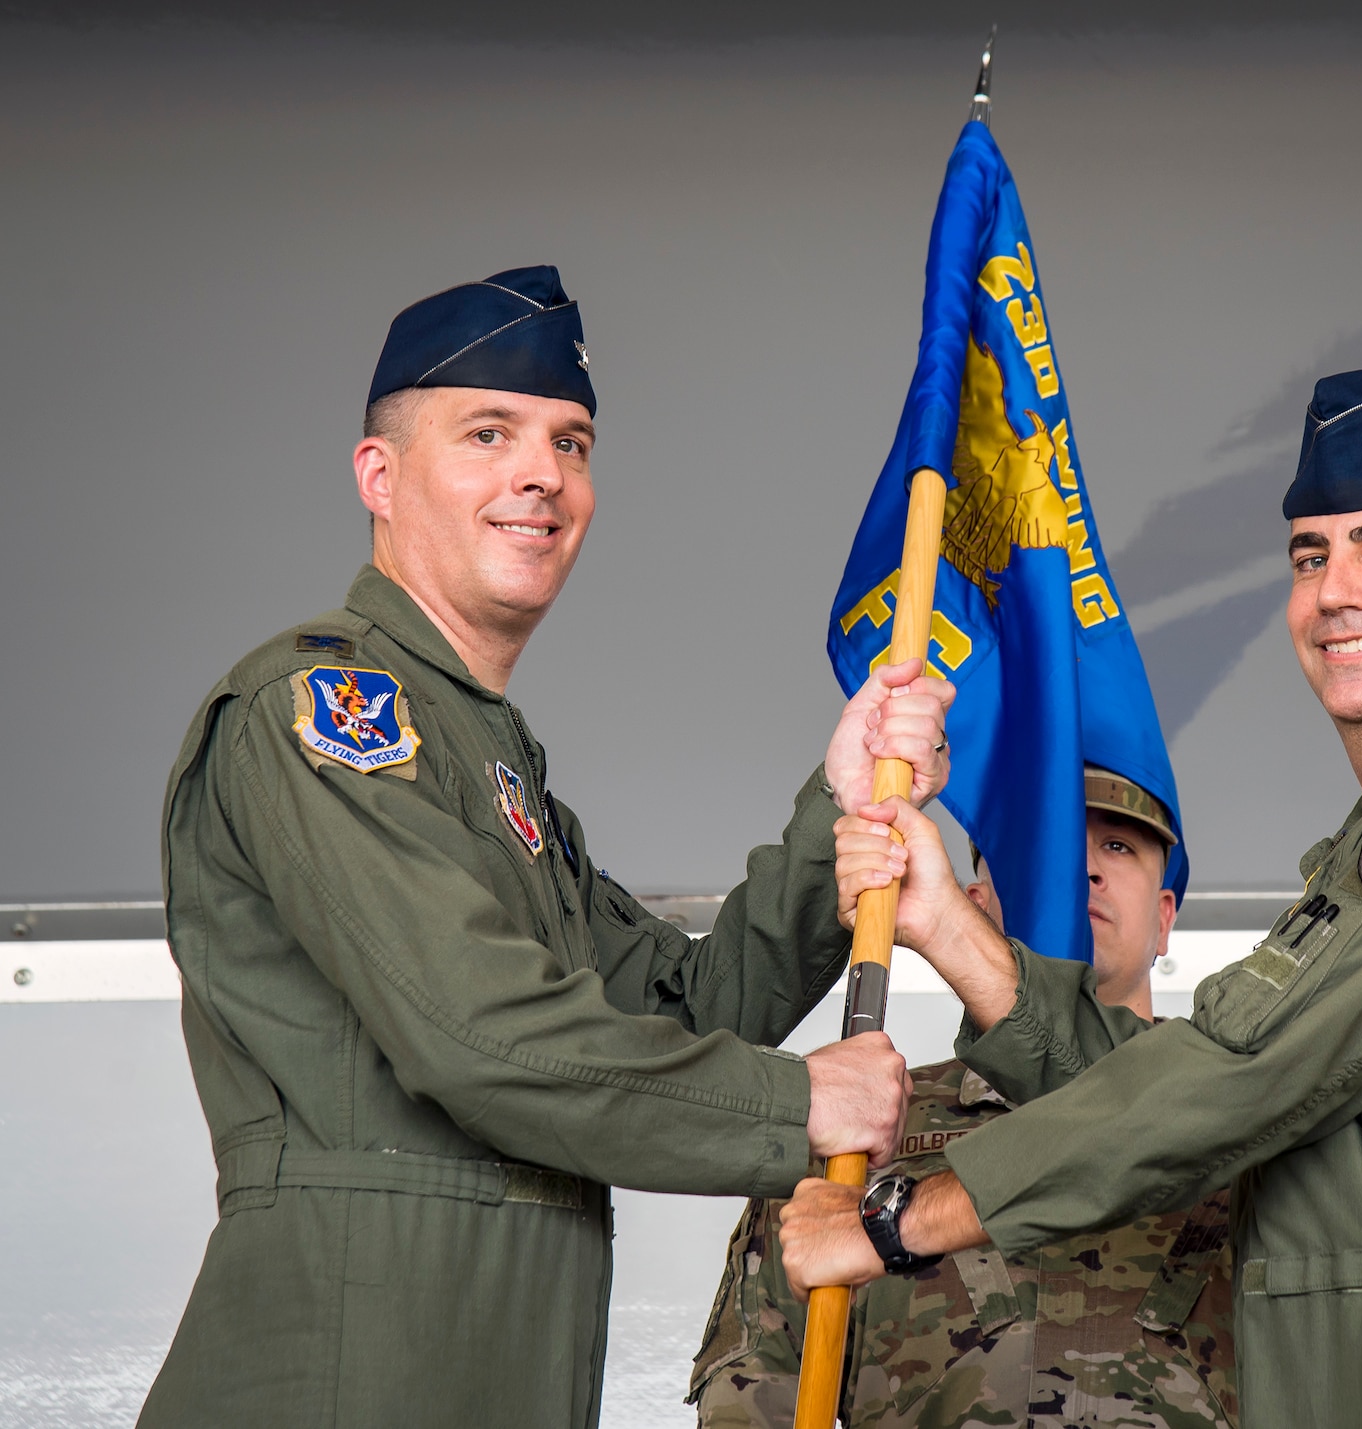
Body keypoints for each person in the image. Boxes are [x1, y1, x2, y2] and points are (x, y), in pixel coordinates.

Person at [140, 266, 950, 1429]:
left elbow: (685, 1010)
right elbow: (479, 1031)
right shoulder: (322, 709)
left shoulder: (487, 758)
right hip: (347, 1377)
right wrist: (795, 1105)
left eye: (570, 444)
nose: (542, 476)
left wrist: (836, 805)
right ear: (379, 475)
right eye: (488, 433)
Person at [781, 368, 1362, 1427]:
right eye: (1310, 556)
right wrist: (947, 927)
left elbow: (1232, 1077)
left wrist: (894, 1219)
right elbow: (1190, 1100)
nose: (1337, 590)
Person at [691, 767, 1235, 1429]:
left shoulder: (1253, 1131)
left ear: (1165, 918)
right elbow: (754, 1397)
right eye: (1046, 841)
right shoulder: (858, 1130)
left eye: (1119, 847)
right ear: (974, 900)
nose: (1085, 869)